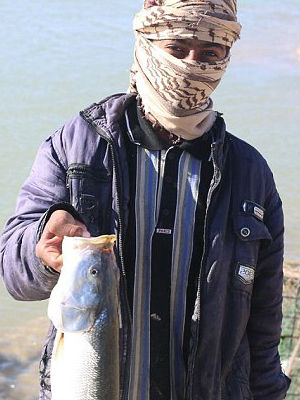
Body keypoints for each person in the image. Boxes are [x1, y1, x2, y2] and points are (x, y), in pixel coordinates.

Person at [0, 1, 291, 399]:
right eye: (177, 48)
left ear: (227, 56)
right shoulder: (75, 146)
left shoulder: (250, 174)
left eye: (210, 53)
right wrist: (39, 248)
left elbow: (263, 331)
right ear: (147, 43)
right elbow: (15, 275)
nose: (191, 65)